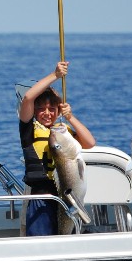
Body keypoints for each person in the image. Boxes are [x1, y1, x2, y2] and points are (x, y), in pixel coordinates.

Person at [18, 61, 96, 236]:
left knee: (67, 239)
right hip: (41, 199)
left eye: (52, 109)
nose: (47, 113)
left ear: (58, 111)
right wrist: (55, 76)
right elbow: (28, 98)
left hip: (68, 198)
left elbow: (90, 142)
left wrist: (70, 117)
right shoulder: (28, 129)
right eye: (41, 109)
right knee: (42, 246)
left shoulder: (63, 131)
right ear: (34, 111)